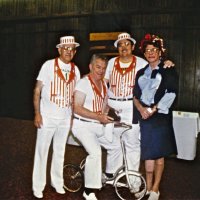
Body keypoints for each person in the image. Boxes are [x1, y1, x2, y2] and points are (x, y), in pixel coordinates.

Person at [104, 32, 174, 183]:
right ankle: (111, 174)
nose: (124, 47)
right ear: (117, 47)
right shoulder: (111, 63)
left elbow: (157, 66)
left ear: (133, 46)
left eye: (127, 44)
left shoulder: (142, 63)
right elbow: (103, 83)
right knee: (113, 141)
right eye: (120, 45)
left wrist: (167, 62)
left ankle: (133, 181)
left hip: (131, 105)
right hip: (112, 104)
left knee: (132, 143)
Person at [32, 35, 80, 198]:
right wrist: (37, 113)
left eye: (72, 49)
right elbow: (37, 90)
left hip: (65, 117)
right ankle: (38, 186)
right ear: (59, 49)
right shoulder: (48, 65)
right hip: (47, 117)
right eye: (65, 48)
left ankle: (57, 182)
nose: (69, 52)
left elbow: (76, 96)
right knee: (42, 151)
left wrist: (73, 117)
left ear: (74, 51)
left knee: (60, 151)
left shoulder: (76, 69)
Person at [133, 33, 178, 200]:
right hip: (144, 116)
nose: (151, 53)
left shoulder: (168, 69)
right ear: (144, 54)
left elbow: (171, 93)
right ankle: (147, 187)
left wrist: (153, 109)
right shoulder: (140, 73)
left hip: (160, 116)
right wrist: (141, 109)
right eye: (147, 51)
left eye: (154, 50)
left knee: (159, 153)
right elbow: (135, 96)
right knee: (148, 153)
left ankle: (155, 189)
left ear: (160, 52)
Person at [72, 54, 114, 200]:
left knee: (115, 146)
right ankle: (88, 191)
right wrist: (98, 117)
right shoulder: (83, 83)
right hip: (82, 126)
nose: (101, 71)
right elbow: (76, 108)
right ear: (90, 66)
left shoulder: (103, 84)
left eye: (103, 68)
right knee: (95, 153)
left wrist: (108, 114)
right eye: (98, 67)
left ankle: (108, 176)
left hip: (97, 126)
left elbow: (105, 105)